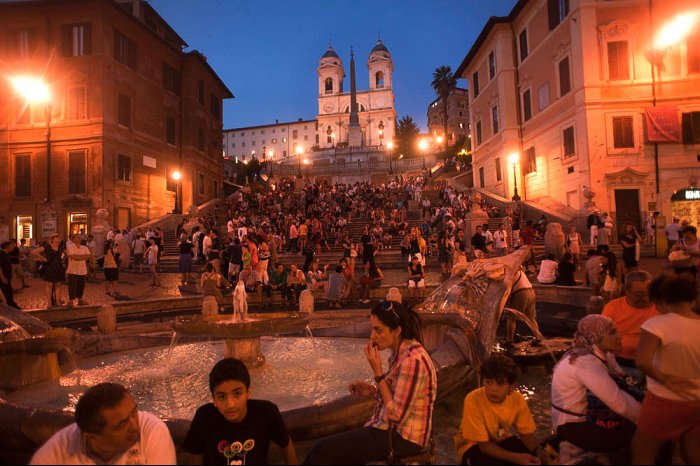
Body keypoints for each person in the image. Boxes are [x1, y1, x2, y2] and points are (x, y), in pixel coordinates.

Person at [305, 301, 437, 464]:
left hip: (403, 438)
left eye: (378, 330)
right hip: (388, 429)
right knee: (328, 448)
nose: (372, 336)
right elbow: (397, 396)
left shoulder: (413, 361)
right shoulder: (399, 353)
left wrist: (378, 374)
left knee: (322, 450)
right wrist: (373, 391)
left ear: (396, 330)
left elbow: (397, 416)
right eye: (372, 328)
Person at [551, 315, 641, 463]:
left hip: (592, 417)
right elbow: (619, 402)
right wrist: (648, 419)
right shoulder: (585, 362)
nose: (619, 336)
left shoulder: (605, 356)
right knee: (641, 433)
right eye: (612, 333)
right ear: (596, 337)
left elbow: (623, 385)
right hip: (573, 425)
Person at [631, 272, 700, 465]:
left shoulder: (656, 324)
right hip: (697, 400)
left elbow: (642, 361)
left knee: (642, 454)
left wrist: (665, 379)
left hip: (664, 400)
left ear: (660, 301)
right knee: (694, 456)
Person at [182, 358, 297, 465]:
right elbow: (194, 456)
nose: (230, 404)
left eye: (237, 394)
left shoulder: (266, 412)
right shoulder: (204, 417)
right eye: (222, 396)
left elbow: (286, 445)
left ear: (248, 392)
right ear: (214, 399)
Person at [30, 382, 176, 465]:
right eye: (122, 424)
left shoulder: (152, 430)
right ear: (92, 438)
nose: (134, 426)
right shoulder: (52, 457)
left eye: (134, 413)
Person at [455, 354, 545, 465]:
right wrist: (517, 458)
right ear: (483, 381)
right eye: (489, 382)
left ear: (511, 386)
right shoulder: (473, 400)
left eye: (500, 383)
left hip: (499, 438)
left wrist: (538, 452)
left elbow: (526, 435)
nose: (493, 389)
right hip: (472, 445)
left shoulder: (517, 399)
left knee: (532, 456)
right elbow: (484, 446)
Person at [601, 271, 658, 369]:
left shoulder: (660, 307)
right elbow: (602, 335)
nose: (646, 298)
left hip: (652, 361)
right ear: (626, 291)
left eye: (649, 294)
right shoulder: (613, 307)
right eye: (639, 295)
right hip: (619, 360)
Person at [506, 269, 540, 345]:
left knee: (511, 317)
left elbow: (507, 291)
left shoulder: (509, 272)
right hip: (530, 291)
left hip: (520, 293)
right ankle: (538, 338)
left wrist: (507, 303)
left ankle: (509, 341)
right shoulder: (519, 271)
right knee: (531, 318)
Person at [31, 235, 66, 308]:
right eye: (56, 238)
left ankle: (57, 302)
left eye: (59, 238)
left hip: (58, 267)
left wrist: (62, 259)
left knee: (58, 285)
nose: (58, 239)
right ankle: (49, 302)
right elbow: (34, 251)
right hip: (50, 267)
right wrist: (43, 258)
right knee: (49, 285)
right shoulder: (48, 246)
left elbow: (63, 254)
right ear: (52, 239)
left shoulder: (60, 247)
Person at [65, 234, 92, 308]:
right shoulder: (70, 247)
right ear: (73, 239)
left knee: (81, 285)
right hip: (73, 270)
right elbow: (73, 256)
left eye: (80, 238)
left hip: (82, 270)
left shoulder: (84, 247)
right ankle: (71, 300)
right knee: (72, 285)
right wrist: (82, 257)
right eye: (77, 237)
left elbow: (88, 256)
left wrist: (78, 257)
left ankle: (80, 299)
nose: (79, 239)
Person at [0, 241, 20, 309]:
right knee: (8, 292)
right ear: (7, 246)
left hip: (6, 277)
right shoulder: (1, 254)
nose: (13, 247)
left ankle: (11, 305)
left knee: (8, 292)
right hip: (3, 277)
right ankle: (12, 306)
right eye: (12, 245)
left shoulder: (6, 254)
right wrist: (2, 277)